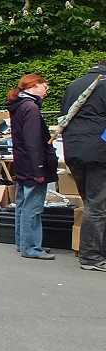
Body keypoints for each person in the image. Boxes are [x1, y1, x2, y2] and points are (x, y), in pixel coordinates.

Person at [59, 60, 106, 272]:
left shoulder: (74, 85)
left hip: (74, 149)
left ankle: (96, 251)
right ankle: (91, 256)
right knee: (97, 205)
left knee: (91, 202)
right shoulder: (104, 85)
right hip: (99, 150)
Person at [6, 74, 58, 260]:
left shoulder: (19, 105)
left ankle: (24, 243)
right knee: (33, 207)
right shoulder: (31, 108)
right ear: (35, 86)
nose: (46, 91)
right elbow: (33, 142)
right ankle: (31, 247)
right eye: (45, 86)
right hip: (33, 164)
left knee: (22, 204)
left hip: (22, 162)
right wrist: (39, 168)